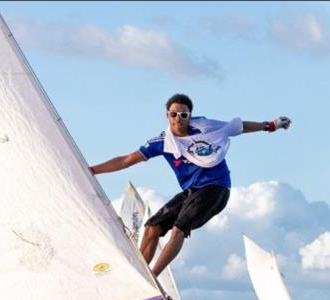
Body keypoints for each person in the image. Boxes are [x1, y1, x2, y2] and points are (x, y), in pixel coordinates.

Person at [90, 94, 291, 277]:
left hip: (216, 188)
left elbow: (238, 127)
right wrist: (92, 170)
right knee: (152, 227)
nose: (178, 118)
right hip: (191, 191)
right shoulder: (162, 142)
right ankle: (138, 277)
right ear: (167, 115)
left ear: (189, 115)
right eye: (174, 114)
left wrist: (270, 125)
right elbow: (127, 160)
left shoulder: (205, 127)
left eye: (183, 115)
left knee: (179, 229)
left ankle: (152, 278)